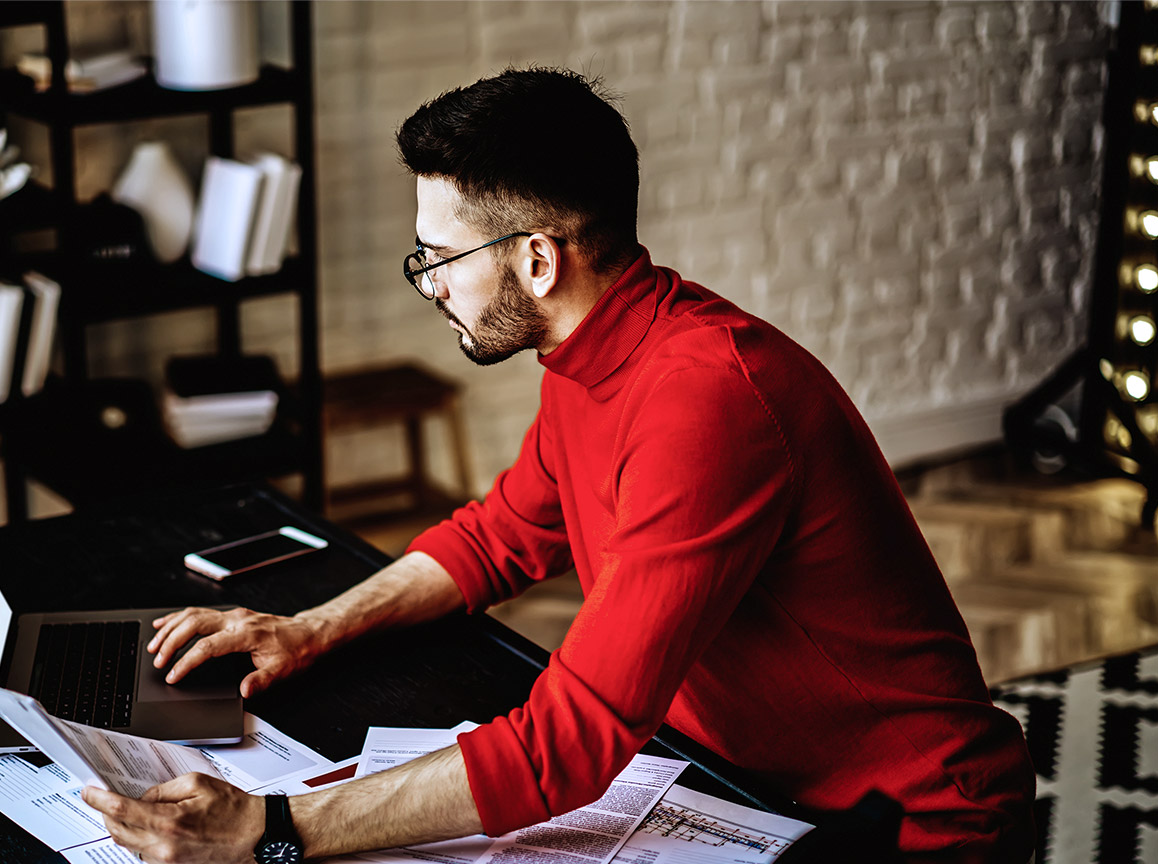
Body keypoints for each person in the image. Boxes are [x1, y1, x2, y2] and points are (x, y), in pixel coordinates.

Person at [80, 68, 1035, 864]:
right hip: (726, 779)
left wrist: (270, 831)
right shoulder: (591, 349)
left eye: (439, 255)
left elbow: (567, 746)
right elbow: (500, 536)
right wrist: (310, 630)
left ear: (537, 259)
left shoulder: (706, 399)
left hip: (907, 825)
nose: (431, 282)